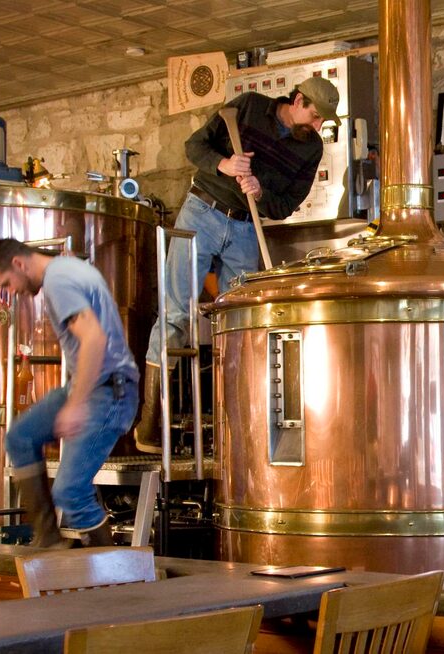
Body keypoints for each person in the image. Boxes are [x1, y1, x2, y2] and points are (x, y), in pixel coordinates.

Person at [134, 76, 340, 453]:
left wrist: (261, 193)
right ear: (297, 100)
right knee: (177, 314)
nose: (316, 127)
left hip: (247, 227)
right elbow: (194, 146)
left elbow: (284, 205)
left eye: (322, 122)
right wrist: (225, 164)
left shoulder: (311, 150)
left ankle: (232, 430)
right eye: (314, 117)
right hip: (202, 211)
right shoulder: (245, 108)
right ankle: (150, 424)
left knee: (238, 326)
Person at [0, 239, 139, 547]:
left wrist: (75, 405)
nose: (10, 293)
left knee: (70, 492)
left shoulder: (58, 280)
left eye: (6, 284)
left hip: (109, 392)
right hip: (89, 386)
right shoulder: (65, 269)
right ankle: (48, 539)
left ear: (19, 264)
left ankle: (119, 577)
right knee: (20, 438)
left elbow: (93, 338)